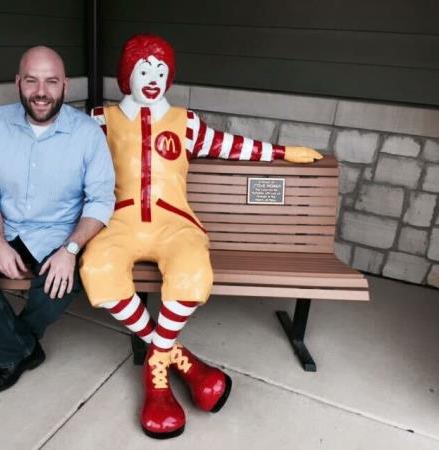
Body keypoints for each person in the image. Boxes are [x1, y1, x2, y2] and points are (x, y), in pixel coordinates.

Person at [80, 34, 322, 439]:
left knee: (192, 269)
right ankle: (183, 362)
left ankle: (156, 373)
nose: (153, 77)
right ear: (127, 74)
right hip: (116, 221)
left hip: (175, 222)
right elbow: (63, 152)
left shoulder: (185, 122)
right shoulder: (99, 120)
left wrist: (283, 154)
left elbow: (232, 146)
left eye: (161, 70)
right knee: (97, 267)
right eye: (143, 68)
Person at [0, 46, 115, 394]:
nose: (41, 91)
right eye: (32, 80)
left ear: (65, 85)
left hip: (58, 233)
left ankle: (12, 344)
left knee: (58, 287)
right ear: (18, 83)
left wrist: (71, 249)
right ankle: (20, 350)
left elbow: (100, 199)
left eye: (51, 81)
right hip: (4, 226)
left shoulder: (87, 134)